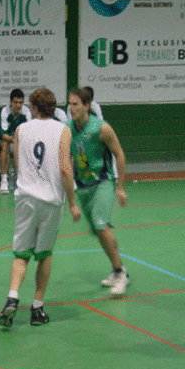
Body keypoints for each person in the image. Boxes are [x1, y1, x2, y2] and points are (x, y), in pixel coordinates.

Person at [0, 88, 80, 329]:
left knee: (21, 254)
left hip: (25, 198)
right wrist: (72, 203)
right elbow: (65, 168)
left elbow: (17, 164)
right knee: (44, 254)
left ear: (33, 107)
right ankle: (37, 307)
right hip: (51, 201)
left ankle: (12, 298)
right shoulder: (63, 130)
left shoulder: (21, 129)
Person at [66, 87, 130, 295]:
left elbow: (119, 155)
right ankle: (116, 268)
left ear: (86, 106)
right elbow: (68, 160)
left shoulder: (101, 128)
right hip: (83, 186)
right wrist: (70, 196)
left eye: (75, 103)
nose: (71, 107)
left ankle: (121, 274)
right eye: (69, 103)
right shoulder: (67, 129)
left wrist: (120, 187)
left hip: (102, 182)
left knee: (101, 226)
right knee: (100, 232)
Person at [0, 88, 32, 194]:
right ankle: (4, 180)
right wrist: (15, 140)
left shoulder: (27, 112)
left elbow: (28, 133)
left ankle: (20, 180)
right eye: (16, 102)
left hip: (21, 143)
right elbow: (3, 134)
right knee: (5, 144)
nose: (18, 105)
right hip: (10, 141)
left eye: (21, 102)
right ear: (11, 102)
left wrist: (17, 141)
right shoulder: (4, 112)